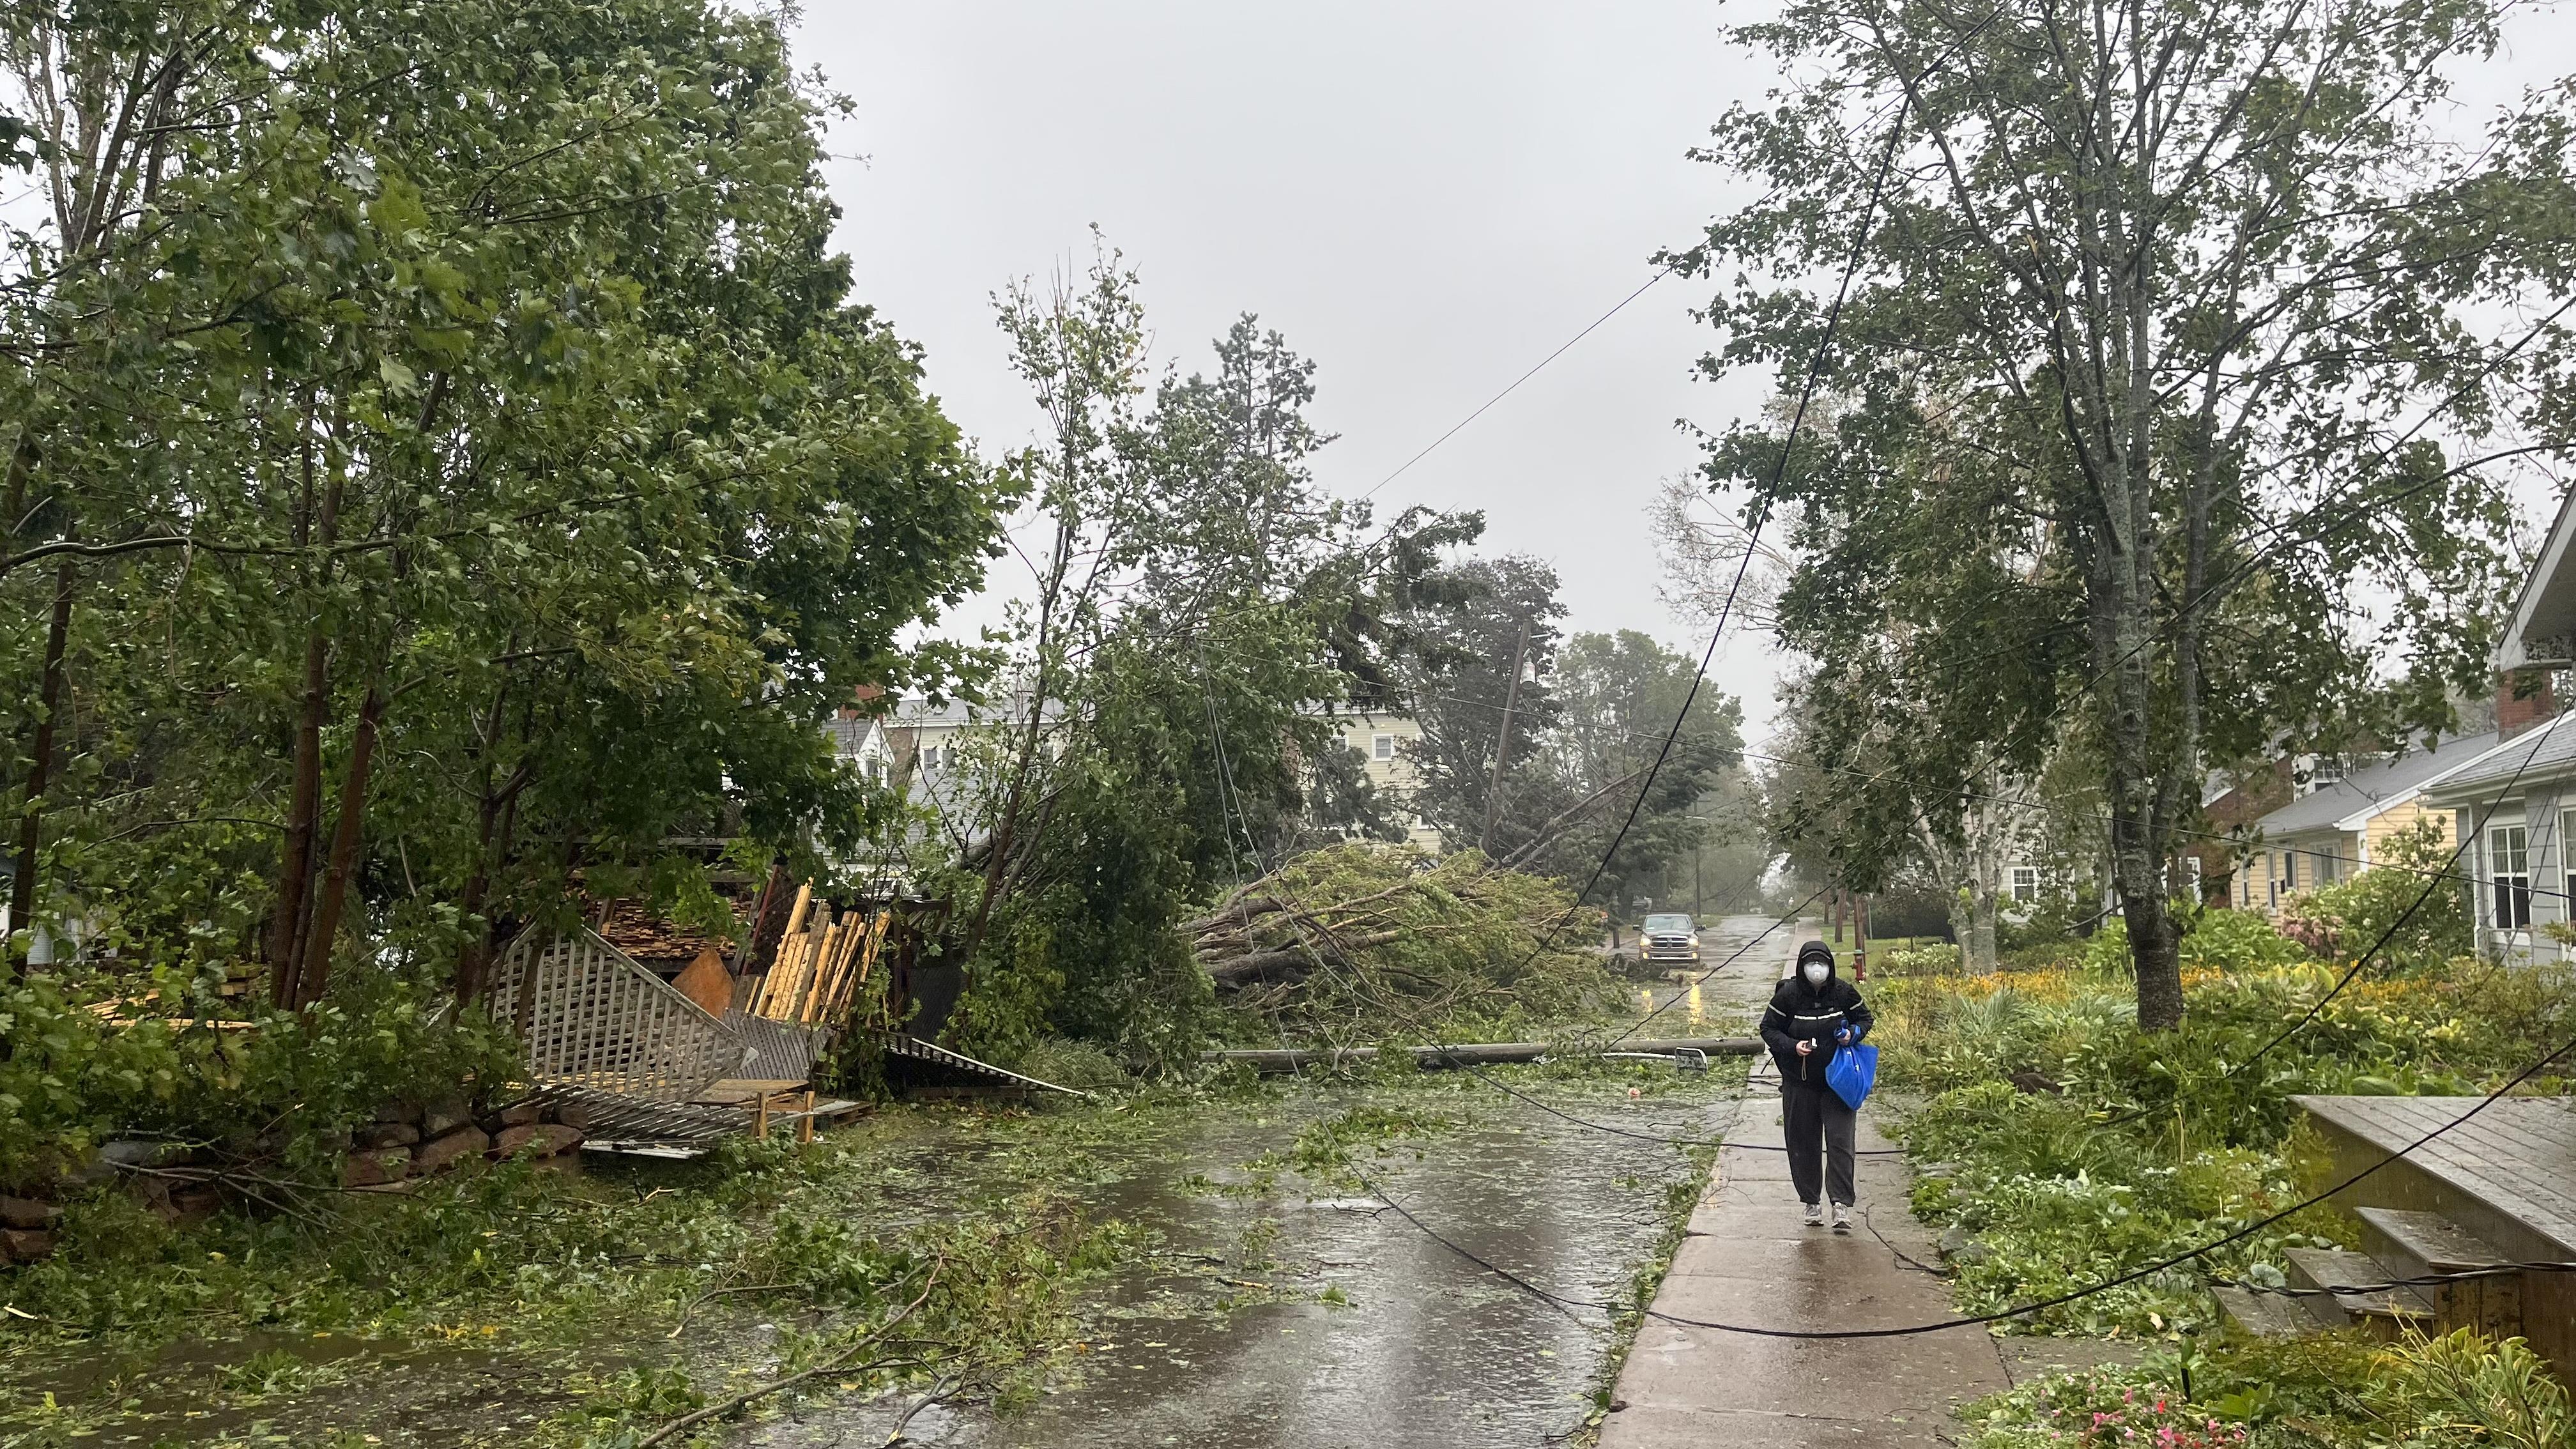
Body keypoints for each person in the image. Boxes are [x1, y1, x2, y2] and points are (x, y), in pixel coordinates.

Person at [1759, 939, 1874, 1232]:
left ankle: (1841, 1205)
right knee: (1803, 1144)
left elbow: (1865, 1018)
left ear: (1830, 965)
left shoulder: (1843, 992)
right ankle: (1811, 1202)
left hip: (1839, 1082)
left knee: (1840, 1144)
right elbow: (1768, 1028)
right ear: (1801, 967)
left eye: (1821, 963)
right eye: (1811, 963)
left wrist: (1853, 1034)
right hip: (1801, 1082)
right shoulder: (1788, 996)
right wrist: (1792, 1046)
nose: (1817, 969)